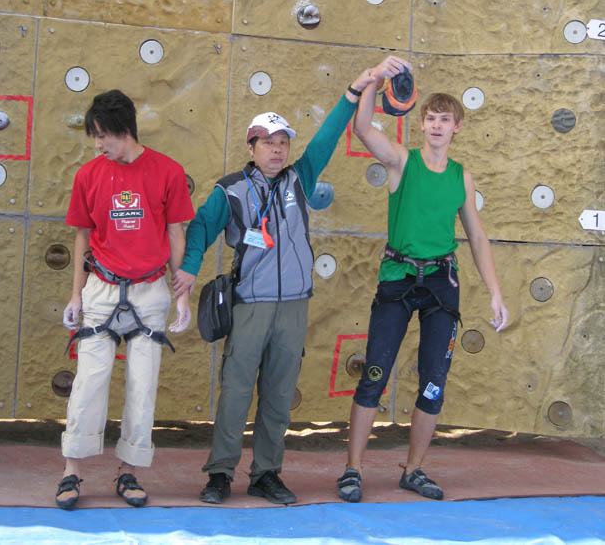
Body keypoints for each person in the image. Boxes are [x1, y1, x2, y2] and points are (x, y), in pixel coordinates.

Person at [172, 57, 400, 505]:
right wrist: (188, 269)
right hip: (250, 305)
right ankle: (220, 473)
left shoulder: (300, 178)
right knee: (236, 393)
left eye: (283, 143)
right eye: (268, 143)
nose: (277, 150)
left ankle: (266, 473)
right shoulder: (230, 190)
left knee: (278, 396)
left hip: (294, 305)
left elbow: (328, 136)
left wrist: (355, 89)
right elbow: (199, 228)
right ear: (251, 145)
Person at [336, 56, 509, 503]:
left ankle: (413, 470)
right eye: (430, 118)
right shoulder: (401, 161)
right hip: (398, 278)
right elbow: (362, 129)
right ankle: (352, 470)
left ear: (457, 128)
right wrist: (374, 78)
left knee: (434, 383)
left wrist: (495, 293)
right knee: (374, 375)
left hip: (441, 284)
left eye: (444, 120)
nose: (436, 125)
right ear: (422, 123)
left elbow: (477, 236)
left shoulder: (461, 177)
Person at [55, 90, 194, 510]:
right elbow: (82, 236)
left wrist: (182, 297)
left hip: (150, 291)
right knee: (88, 382)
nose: (98, 144)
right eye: (95, 136)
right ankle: (71, 471)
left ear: (125, 130)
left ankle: (129, 470)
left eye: (104, 135)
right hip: (101, 288)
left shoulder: (168, 171)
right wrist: (76, 295)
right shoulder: (89, 175)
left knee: (142, 385)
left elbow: (176, 233)